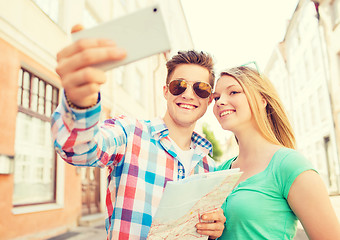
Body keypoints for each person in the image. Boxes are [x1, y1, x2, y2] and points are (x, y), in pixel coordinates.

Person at [51, 26, 226, 239]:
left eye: (201, 88)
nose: (189, 95)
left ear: (209, 100)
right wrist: (79, 105)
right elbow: (78, 149)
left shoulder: (210, 168)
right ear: (165, 91)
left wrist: (214, 229)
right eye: (179, 86)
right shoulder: (130, 133)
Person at [212, 65, 340, 239]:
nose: (220, 102)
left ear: (262, 100)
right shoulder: (218, 173)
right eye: (216, 97)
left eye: (233, 92)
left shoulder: (289, 165)